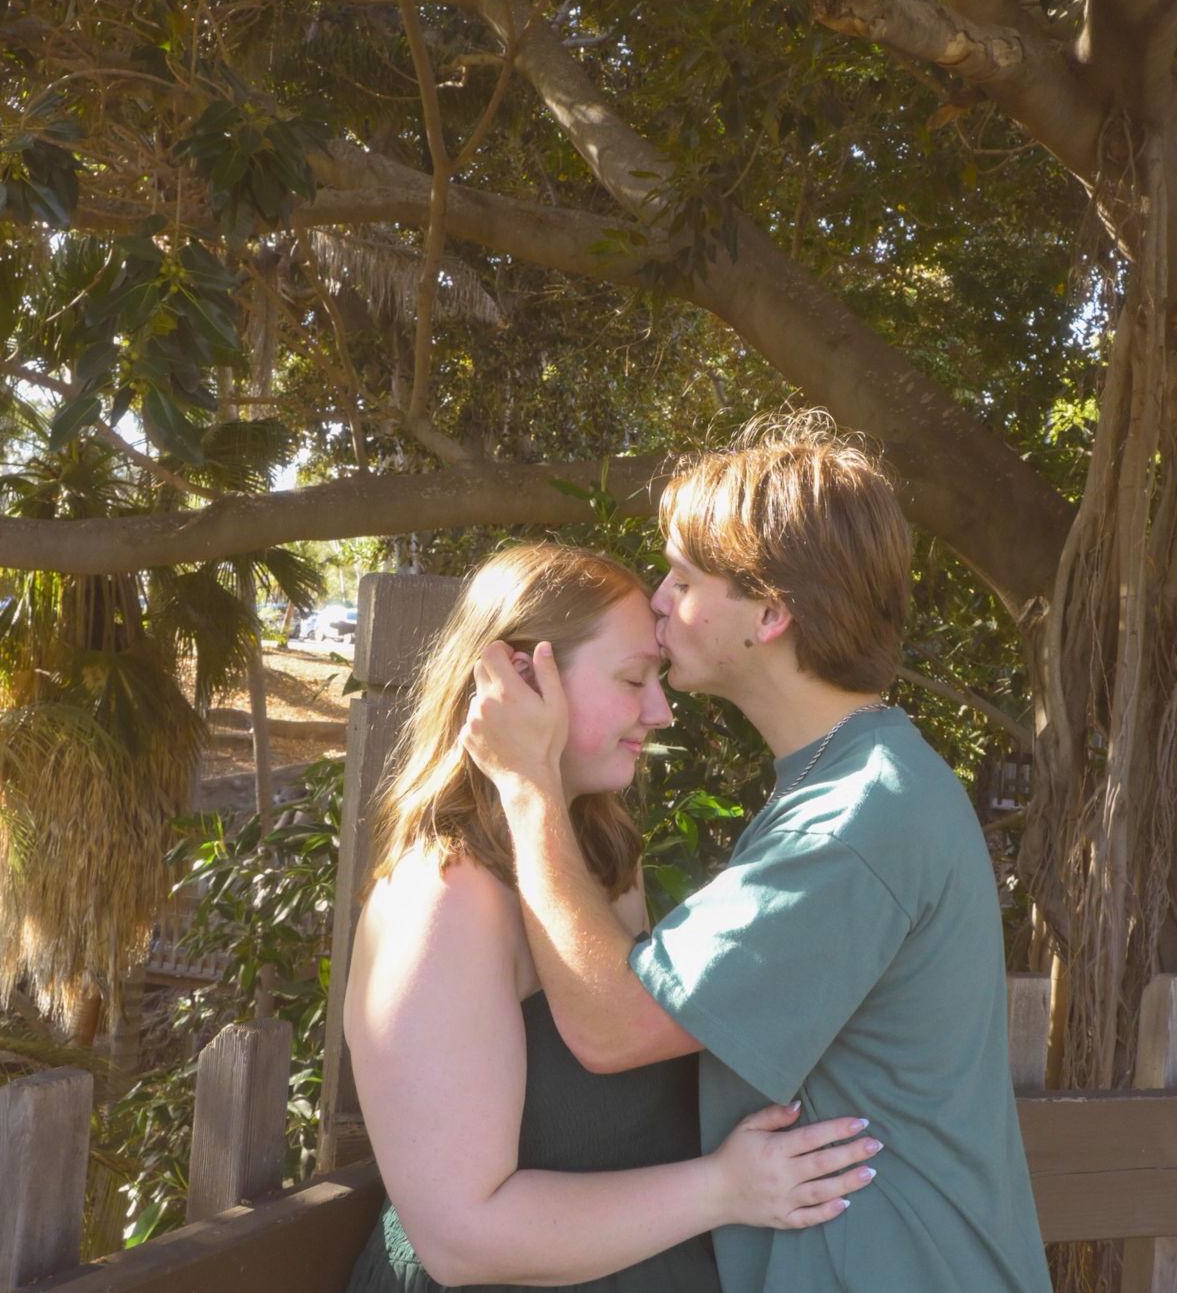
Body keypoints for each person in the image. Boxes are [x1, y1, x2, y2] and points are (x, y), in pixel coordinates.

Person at [462, 417, 1053, 1292]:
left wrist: (526, 787)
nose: (657, 599)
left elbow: (611, 1027)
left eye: (683, 578)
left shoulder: (852, 822)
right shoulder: (848, 780)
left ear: (770, 613)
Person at [342, 542, 880, 1293]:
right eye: (633, 679)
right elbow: (461, 1238)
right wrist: (726, 1188)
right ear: (522, 679)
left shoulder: (599, 862)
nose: (660, 711)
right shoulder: (444, 899)